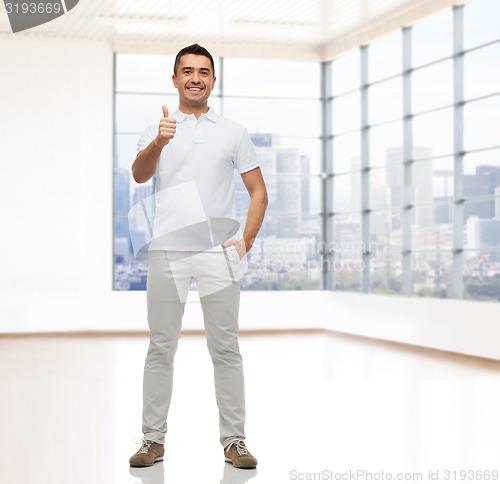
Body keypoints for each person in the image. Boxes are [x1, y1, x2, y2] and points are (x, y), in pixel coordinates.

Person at [128, 43, 268, 469]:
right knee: (160, 349)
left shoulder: (234, 131)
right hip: (167, 251)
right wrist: (158, 142)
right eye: (187, 71)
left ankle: (235, 442)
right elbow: (139, 175)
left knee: (225, 349)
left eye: (203, 71)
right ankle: (152, 441)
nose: (195, 77)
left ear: (212, 80)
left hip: (218, 254)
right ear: (175, 80)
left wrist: (245, 239)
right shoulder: (158, 128)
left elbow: (258, 191)